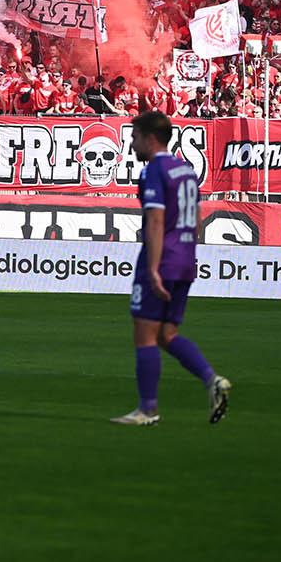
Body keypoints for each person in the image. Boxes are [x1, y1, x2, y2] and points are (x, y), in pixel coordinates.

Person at [112, 111, 233, 426]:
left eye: (135, 136)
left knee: (145, 333)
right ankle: (212, 380)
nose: (132, 143)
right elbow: (198, 216)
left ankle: (147, 409)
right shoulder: (186, 170)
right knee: (167, 333)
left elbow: (154, 219)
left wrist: (153, 268)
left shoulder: (155, 170)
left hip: (162, 259)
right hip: (185, 258)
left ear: (151, 138)